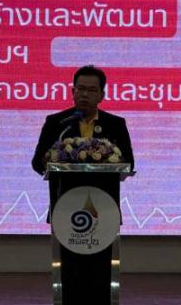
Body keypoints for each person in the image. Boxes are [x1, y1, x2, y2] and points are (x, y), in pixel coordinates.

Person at [32, 66, 134, 210]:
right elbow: (37, 162)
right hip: (64, 206)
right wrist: (54, 159)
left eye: (92, 90)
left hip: (104, 208)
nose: (85, 94)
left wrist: (106, 159)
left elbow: (129, 163)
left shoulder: (115, 124)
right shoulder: (57, 123)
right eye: (80, 89)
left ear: (101, 95)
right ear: (73, 92)